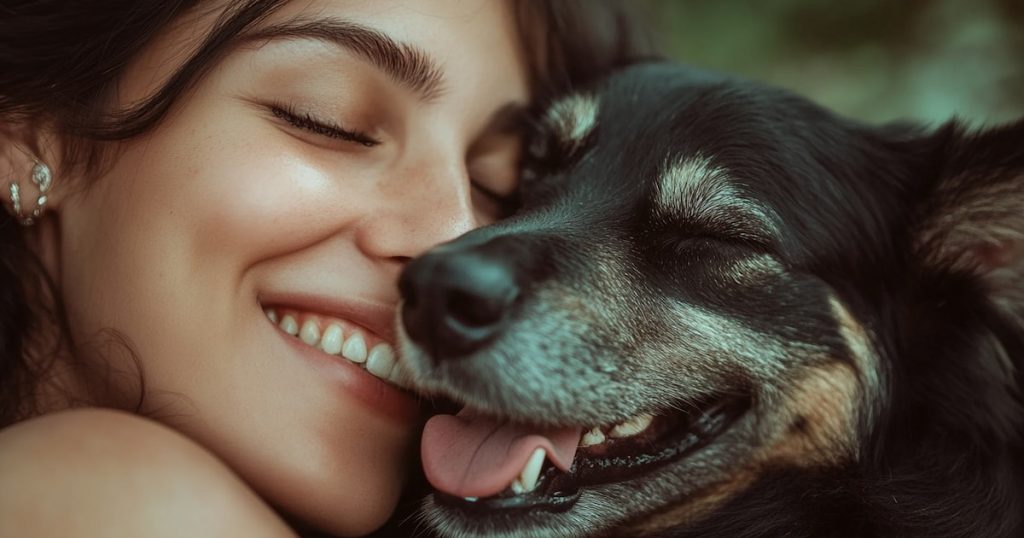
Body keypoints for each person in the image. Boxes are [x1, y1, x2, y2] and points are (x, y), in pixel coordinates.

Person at [0, 0, 645, 536]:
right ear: (27, 129)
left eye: (497, 188)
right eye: (330, 122)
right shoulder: (123, 502)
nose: (459, 246)